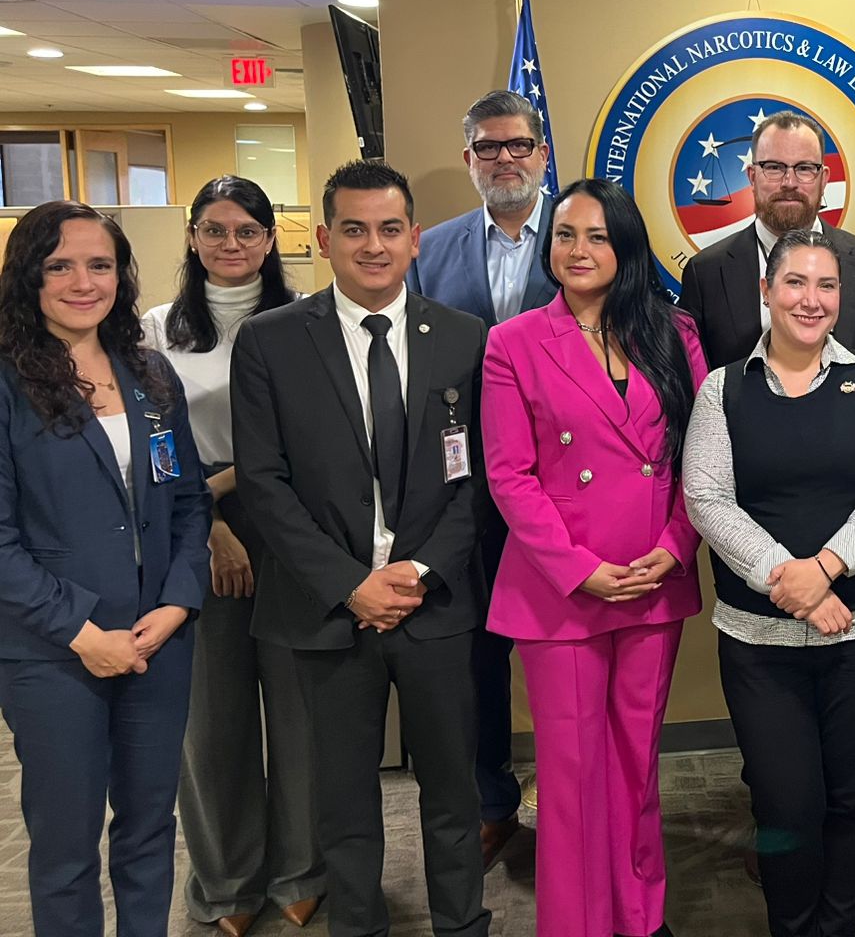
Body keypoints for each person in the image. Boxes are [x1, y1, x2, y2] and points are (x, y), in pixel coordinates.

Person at [232, 160, 491, 937]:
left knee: (453, 794)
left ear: (415, 239)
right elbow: (264, 484)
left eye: (388, 229)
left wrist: (418, 571)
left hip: (435, 606)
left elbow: (481, 480)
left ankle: (463, 926)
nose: (373, 246)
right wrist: (352, 584)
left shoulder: (466, 339)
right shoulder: (270, 342)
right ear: (323, 239)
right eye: (353, 229)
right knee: (343, 802)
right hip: (327, 613)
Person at [678, 108, 855, 879]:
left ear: (824, 180)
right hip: (758, 549)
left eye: (805, 168)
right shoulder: (708, 271)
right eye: (774, 167)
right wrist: (783, 572)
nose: (789, 182)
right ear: (750, 175)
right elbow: (709, 408)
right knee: (776, 750)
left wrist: (835, 563)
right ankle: (779, 819)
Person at [483, 178, 706, 937]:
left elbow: (702, 456)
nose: (578, 250)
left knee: (636, 763)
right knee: (573, 775)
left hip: (652, 579)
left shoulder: (675, 333)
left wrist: (676, 546)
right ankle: (577, 924)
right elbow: (509, 476)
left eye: (597, 236)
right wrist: (578, 568)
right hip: (563, 590)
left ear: (626, 247)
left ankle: (640, 916)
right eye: (565, 235)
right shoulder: (513, 342)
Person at [0, 200, 211, 937]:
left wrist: (178, 603)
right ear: (28, 276)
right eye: (59, 265)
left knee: (150, 828)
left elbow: (188, 503)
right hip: (55, 653)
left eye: (100, 265)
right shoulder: (7, 383)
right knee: (65, 844)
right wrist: (83, 633)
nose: (83, 282)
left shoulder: (150, 374)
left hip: (158, 640)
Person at [143, 177, 322, 936]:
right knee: (211, 721)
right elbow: (152, 445)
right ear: (192, 237)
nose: (231, 244)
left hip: (291, 520)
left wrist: (228, 494)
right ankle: (225, 883)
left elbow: (313, 435)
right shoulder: (154, 330)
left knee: (300, 709)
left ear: (271, 238)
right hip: (190, 527)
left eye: (248, 230)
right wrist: (208, 521)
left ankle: (302, 870)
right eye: (214, 230)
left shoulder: (305, 319)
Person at [407, 88, 557, 866]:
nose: (505, 158)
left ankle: (574, 797)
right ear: (468, 159)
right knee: (478, 652)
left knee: (569, 650)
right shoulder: (429, 252)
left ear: (542, 153)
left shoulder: (583, 235)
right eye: (488, 147)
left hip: (565, 485)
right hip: (465, 488)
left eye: (518, 144)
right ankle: (492, 799)